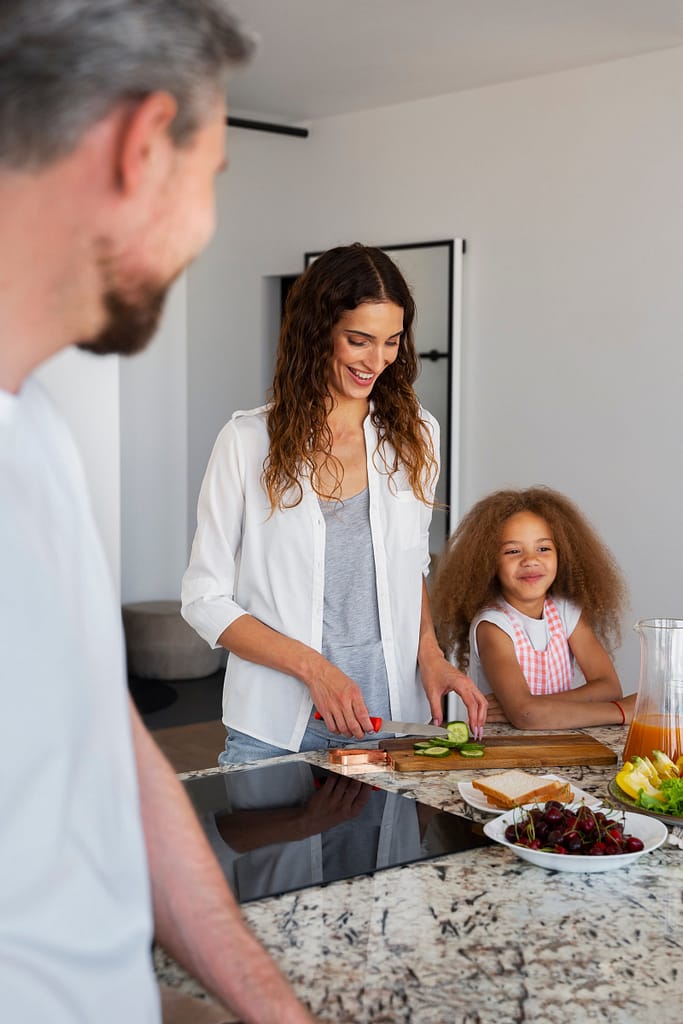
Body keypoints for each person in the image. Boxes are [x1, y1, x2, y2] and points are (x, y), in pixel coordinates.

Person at [0, 3, 316, 1022]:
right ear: (143, 144)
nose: (206, 227)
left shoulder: (35, 429)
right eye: (212, 177)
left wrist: (269, 1007)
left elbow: (113, 746)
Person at [181, 243, 487, 763]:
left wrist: (431, 656)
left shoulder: (417, 435)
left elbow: (409, 564)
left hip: (389, 719)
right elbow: (204, 599)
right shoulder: (248, 441)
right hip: (275, 726)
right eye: (359, 340)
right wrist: (315, 670)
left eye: (391, 342)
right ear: (317, 330)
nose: (378, 361)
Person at [431, 486, 636, 730]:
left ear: (563, 554)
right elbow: (526, 716)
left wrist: (529, 706)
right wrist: (621, 711)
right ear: (488, 562)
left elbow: (609, 688)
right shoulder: (493, 626)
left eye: (543, 548)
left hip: (562, 743)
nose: (530, 560)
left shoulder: (566, 612)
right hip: (506, 753)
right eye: (513, 551)